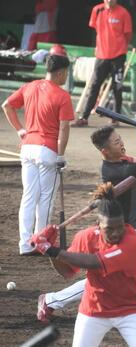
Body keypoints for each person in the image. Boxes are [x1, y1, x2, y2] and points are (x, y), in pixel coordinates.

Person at [37, 126, 136, 324]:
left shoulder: (125, 162)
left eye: (120, 139)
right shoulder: (118, 170)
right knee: (106, 277)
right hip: (117, 232)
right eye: (117, 142)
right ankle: (51, 300)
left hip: (135, 224)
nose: (122, 143)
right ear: (105, 151)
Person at [31, 189, 136, 346]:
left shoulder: (133, 242)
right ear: (98, 225)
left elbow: (94, 262)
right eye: (109, 228)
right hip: (94, 310)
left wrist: (53, 250)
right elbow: (67, 272)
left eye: (120, 227)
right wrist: (49, 249)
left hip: (130, 310)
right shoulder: (87, 237)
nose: (116, 233)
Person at [2, 53, 73, 255]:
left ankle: (25, 244)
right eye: (66, 73)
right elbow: (64, 129)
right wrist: (61, 155)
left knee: (29, 196)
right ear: (60, 73)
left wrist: (19, 129)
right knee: (45, 199)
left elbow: (6, 105)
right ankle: (39, 242)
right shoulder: (62, 96)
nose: (66, 76)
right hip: (48, 150)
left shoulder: (30, 86)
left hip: (27, 148)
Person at [73, 0, 132, 127]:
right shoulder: (97, 10)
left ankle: (115, 118)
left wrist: (120, 47)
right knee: (94, 86)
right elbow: (96, 29)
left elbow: (127, 35)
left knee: (117, 87)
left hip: (118, 56)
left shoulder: (123, 13)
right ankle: (84, 117)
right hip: (101, 56)